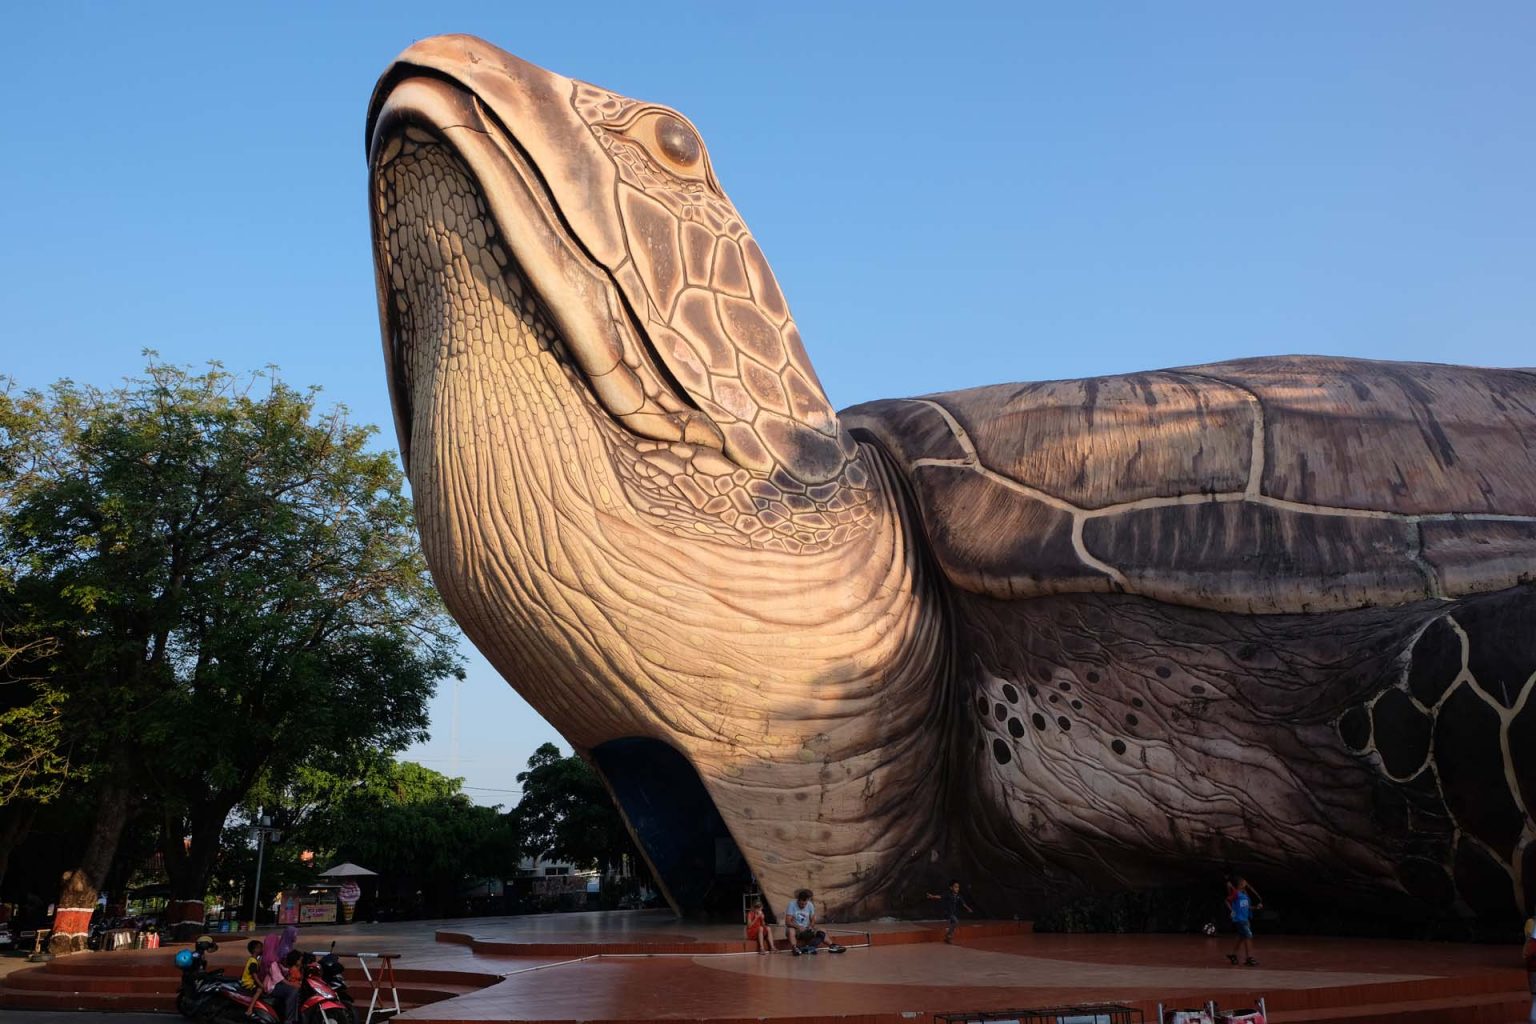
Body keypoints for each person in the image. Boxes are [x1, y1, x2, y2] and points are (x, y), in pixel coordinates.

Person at [782, 888, 845, 955]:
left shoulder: (810, 905)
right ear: (798, 900)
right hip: (796, 929)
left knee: (822, 930)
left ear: (807, 901)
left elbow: (813, 919)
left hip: (806, 929)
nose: (803, 906)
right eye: (801, 904)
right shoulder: (792, 904)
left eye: (805, 904)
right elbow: (788, 922)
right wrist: (799, 927)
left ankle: (832, 946)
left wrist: (811, 926)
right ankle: (795, 948)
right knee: (790, 930)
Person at [1225, 876, 1263, 966]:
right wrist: (1232, 910)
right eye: (1244, 882)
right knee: (1248, 937)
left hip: (1245, 919)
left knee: (1241, 938)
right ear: (1240, 884)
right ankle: (1249, 958)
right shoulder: (1236, 893)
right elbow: (1226, 900)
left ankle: (1233, 955)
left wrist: (1256, 907)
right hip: (1239, 919)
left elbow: (1246, 907)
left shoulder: (1245, 896)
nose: (1246, 884)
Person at [926, 880, 973, 944]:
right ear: (951, 888)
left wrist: (968, 908)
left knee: (953, 925)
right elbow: (940, 896)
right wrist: (932, 896)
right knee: (956, 922)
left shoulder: (959, 896)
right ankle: (948, 935)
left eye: (958, 887)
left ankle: (948, 938)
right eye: (955, 887)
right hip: (948, 912)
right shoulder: (948, 894)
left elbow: (963, 904)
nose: (957, 889)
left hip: (954, 912)